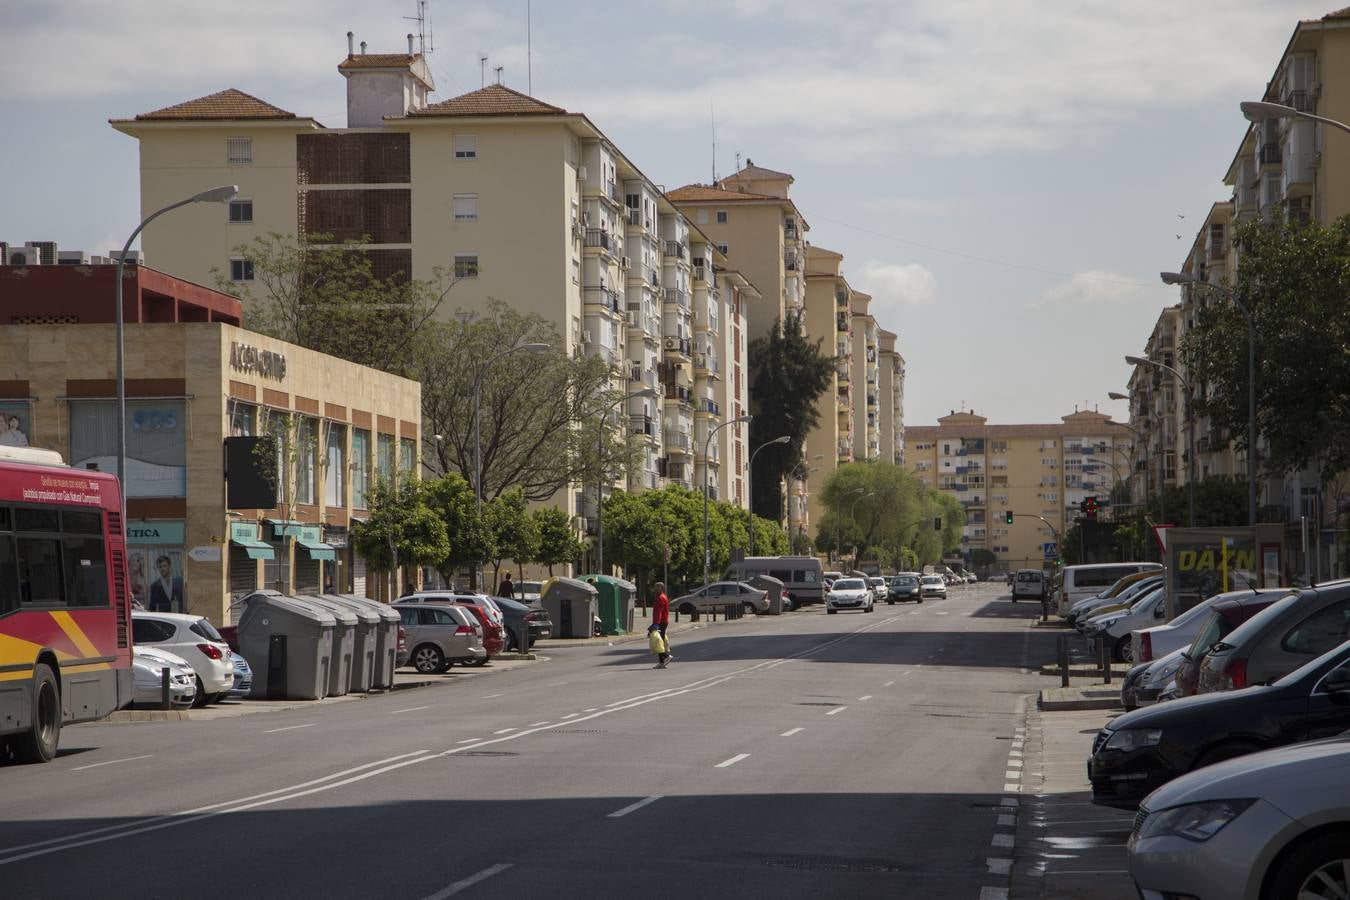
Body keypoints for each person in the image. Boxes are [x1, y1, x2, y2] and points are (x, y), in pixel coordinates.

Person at [651, 581, 671, 668]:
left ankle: (666, 656)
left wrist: (656, 623)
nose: (655, 589)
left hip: (661, 622)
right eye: (655, 587)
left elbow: (658, 612)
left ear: (661, 588)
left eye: (657, 587)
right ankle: (662, 662)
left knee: (658, 641)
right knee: (660, 640)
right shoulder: (662, 597)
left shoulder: (660, 598)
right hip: (662, 621)